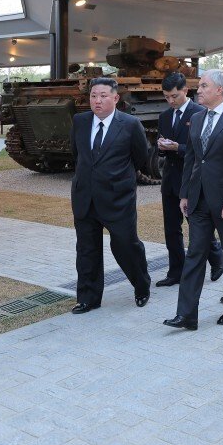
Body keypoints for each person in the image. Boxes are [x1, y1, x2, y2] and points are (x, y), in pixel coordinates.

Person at [163, 70, 223, 330]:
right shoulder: (196, 117)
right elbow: (192, 159)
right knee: (194, 254)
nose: (198, 90)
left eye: (204, 86)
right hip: (199, 201)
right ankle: (186, 314)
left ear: (220, 90)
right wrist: (184, 193)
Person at [69, 78, 152, 313]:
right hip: (85, 197)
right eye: (94, 95)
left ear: (115, 98)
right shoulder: (80, 121)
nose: (97, 100)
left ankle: (141, 286)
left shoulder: (130, 124)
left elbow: (140, 157)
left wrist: (116, 178)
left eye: (103, 95)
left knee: (126, 245)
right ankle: (88, 298)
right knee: (86, 250)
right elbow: (77, 154)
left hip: (118, 199)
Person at [155, 73, 223, 287]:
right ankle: (176, 271)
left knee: (198, 226)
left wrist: (178, 147)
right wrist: (162, 148)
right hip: (170, 180)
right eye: (166, 97)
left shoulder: (201, 113)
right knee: (171, 229)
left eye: (174, 96)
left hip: (194, 180)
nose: (170, 101)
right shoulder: (165, 116)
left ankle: (216, 257)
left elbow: (205, 150)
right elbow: (165, 149)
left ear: (185, 90)